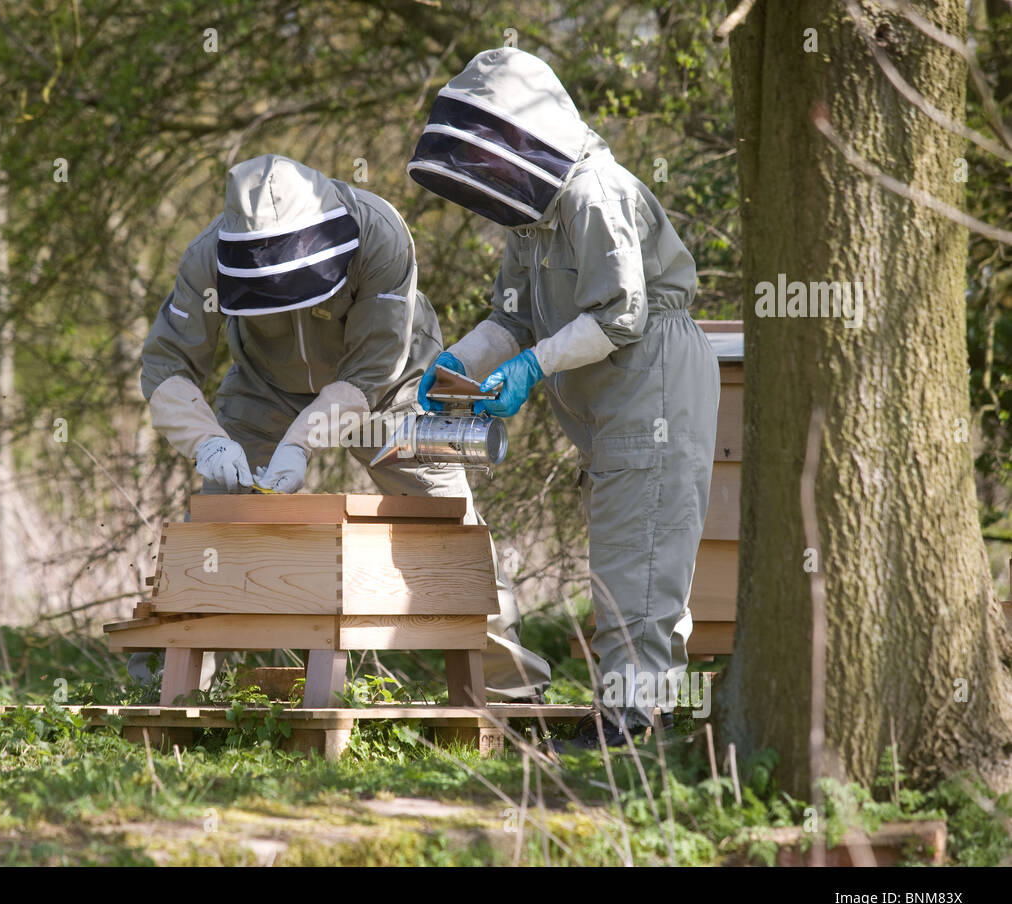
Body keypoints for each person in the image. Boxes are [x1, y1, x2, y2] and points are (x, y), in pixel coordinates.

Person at [136, 153, 551, 701]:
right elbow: (166, 365)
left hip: (392, 384)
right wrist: (207, 440)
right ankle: (167, 691)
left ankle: (511, 694)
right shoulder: (206, 257)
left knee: (447, 518)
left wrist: (302, 442)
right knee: (219, 518)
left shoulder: (381, 235)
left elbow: (371, 369)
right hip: (265, 385)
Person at [409, 49, 719, 744]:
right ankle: (642, 716)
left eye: (491, 154)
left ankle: (632, 727)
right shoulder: (534, 218)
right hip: (617, 393)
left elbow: (619, 314)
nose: (487, 175)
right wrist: (460, 359)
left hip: (653, 380)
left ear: (524, 136)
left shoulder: (593, 192)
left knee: (637, 558)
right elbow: (514, 316)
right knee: (632, 554)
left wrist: (527, 370)